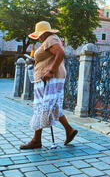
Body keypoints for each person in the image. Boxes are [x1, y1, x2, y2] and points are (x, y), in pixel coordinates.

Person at [20, 21, 78, 150]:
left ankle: (36, 140)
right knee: (52, 105)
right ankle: (69, 130)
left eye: (40, 34)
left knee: (42, 105)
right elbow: (49, 57)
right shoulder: (47, 41)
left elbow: (60, 53)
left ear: (44, 33)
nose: (39, 37)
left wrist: (50, 71)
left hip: (50, 78)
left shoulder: (51, 39)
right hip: (47, 78)